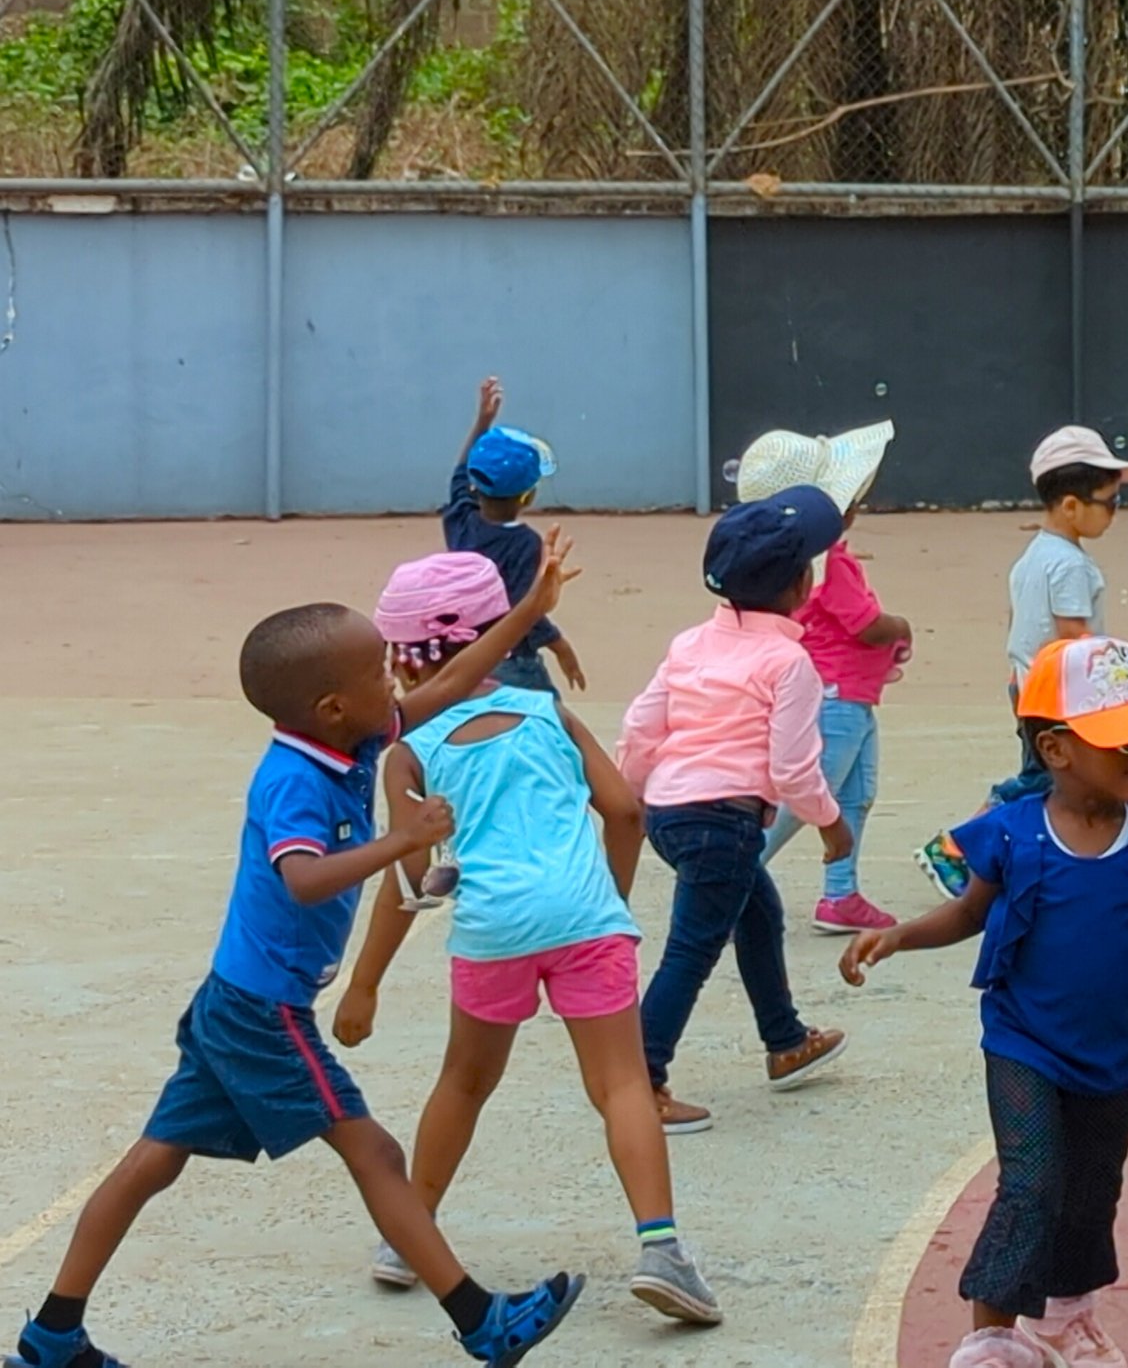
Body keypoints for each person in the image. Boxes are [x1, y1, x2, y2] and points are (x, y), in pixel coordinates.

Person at [9, 542, 583, 1368]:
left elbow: (450, 685)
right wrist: (403, 838)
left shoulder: (349, 736)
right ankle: (484, 1323)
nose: (396, 685)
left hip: (235, 997)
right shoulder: (293, 780)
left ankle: (50, 1337)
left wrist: (528, 614)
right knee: (375, 1150)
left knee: (153, 1160)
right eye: (379, 674)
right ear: (330, 705)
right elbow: (306, 879)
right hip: (261, 1011)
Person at [336, 552, 721, 1326]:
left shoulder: (409, 751)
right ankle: (662, 1249)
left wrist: (365, 981)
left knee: (464, 1081)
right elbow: (625, 812)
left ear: (399, 657)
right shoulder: (549, 714)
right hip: (585, 920)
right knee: (619, 1085)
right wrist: (604, 896)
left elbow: (406, 880)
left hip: (493, 929)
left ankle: (408, 1233)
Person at [840, 635, 1128, 1368]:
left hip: (1113, 1050)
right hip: (1024, 1043)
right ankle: (992, 1337)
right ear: (1056, 748)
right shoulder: (1014, 832)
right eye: (1120, 742)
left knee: (1092, 1189)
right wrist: (902, 936)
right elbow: (971, 912)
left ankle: (1064, 1318)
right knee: (1032, 1181)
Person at [617, 486, 856, 1135]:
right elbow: (791, 768)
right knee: (691, 950)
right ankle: (642, 1075)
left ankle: (785, 1037)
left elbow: (642, 725)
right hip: (725, 819)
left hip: (672, 810)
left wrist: (633, 795)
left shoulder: (691, 642)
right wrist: (831, 822)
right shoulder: (789, 661)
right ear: (800, 585)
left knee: (759, 911)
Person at [917, 426, 1128, 898]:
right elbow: (1075, 636)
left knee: (1046, 779)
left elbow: (1024, 622)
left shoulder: (1035, 556)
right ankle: (954, 848)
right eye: (1110, 503)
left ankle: (1032, 854)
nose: (1115, 514)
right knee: (1039, 781)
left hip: (1030, 683)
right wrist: (1123, 678)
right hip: (1059, 694)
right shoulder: (1070, 566)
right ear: (1072, 506)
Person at [743, 423, 912, 935]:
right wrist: (901, 629)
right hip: (838, 699)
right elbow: (865, 623)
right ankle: (736, 880)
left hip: (851, 697)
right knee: (807, 799)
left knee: (855, 794)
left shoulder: (805, 560)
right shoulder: (831, 562)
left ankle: (841, 894)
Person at [442, 377, 584, 695]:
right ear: (528, 496)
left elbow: (460, 473)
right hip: (510, 660)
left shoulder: (460, 521)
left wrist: (483, 421)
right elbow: (524, 609)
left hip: (465, 657)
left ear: (474, 485)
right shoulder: (526, 544)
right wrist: (558, 644)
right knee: (548, 720)